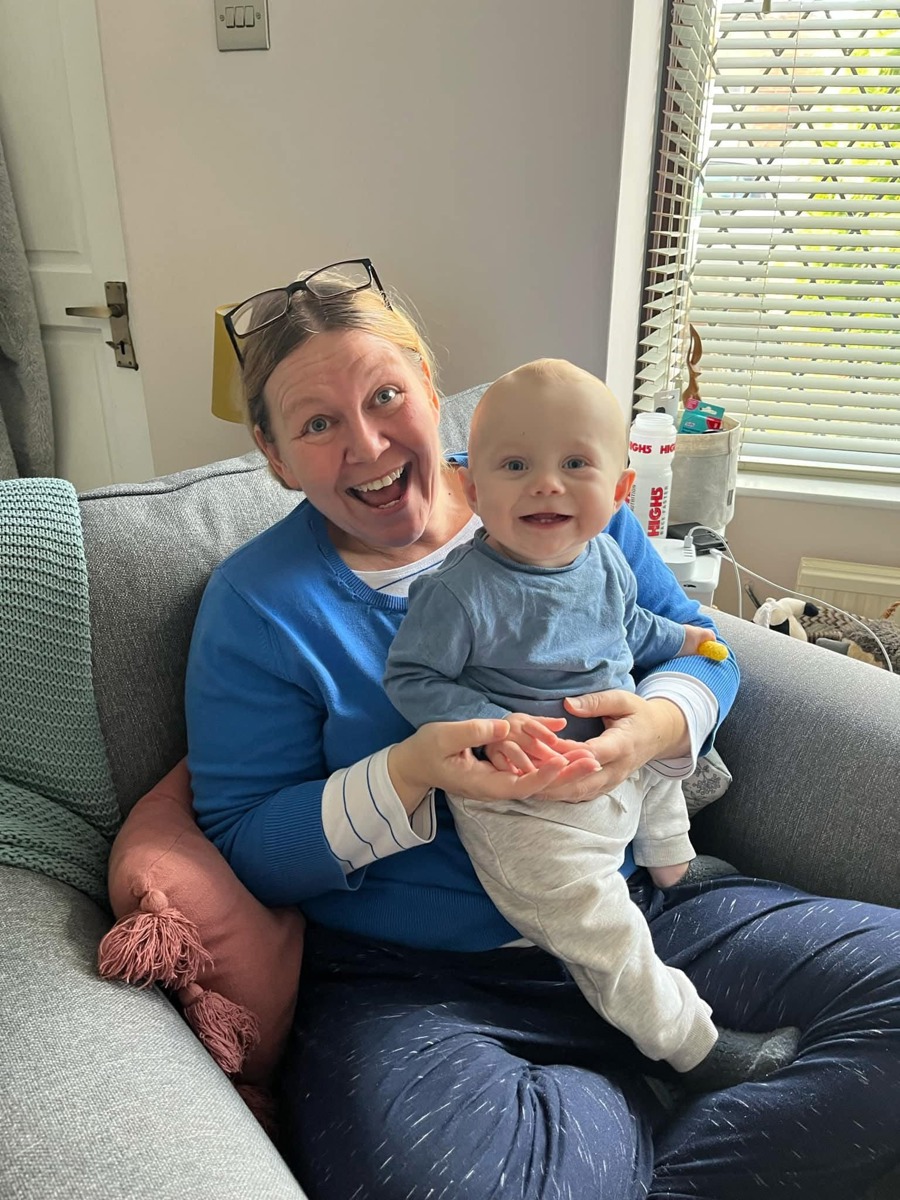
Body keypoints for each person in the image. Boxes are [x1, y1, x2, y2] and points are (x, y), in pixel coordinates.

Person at [185, 259, 900, 1200]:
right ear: (274, 456)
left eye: (385, 396)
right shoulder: (258, 606)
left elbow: (704, 651)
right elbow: (246, 845)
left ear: (430, 393)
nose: (365, 444)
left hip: (646, 904)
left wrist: (654, 725)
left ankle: (610, 1142)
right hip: (422, 982)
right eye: (316, 424)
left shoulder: (566, 492)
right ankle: (614, 1123)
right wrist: (410, 772)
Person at [383, 358, 798, 1092]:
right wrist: (494, 724)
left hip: (614, 759)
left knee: (660, 760)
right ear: (473, 490)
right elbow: (411, 679)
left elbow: (631, 626)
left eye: (575, 464)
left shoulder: (605, 555)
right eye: (516, 466)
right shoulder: (458, 594)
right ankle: (693, 1047)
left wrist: (685, 640)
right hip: (525, 807)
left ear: (619, 490)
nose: (547, 484)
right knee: (607, 936)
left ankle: (672, 867)